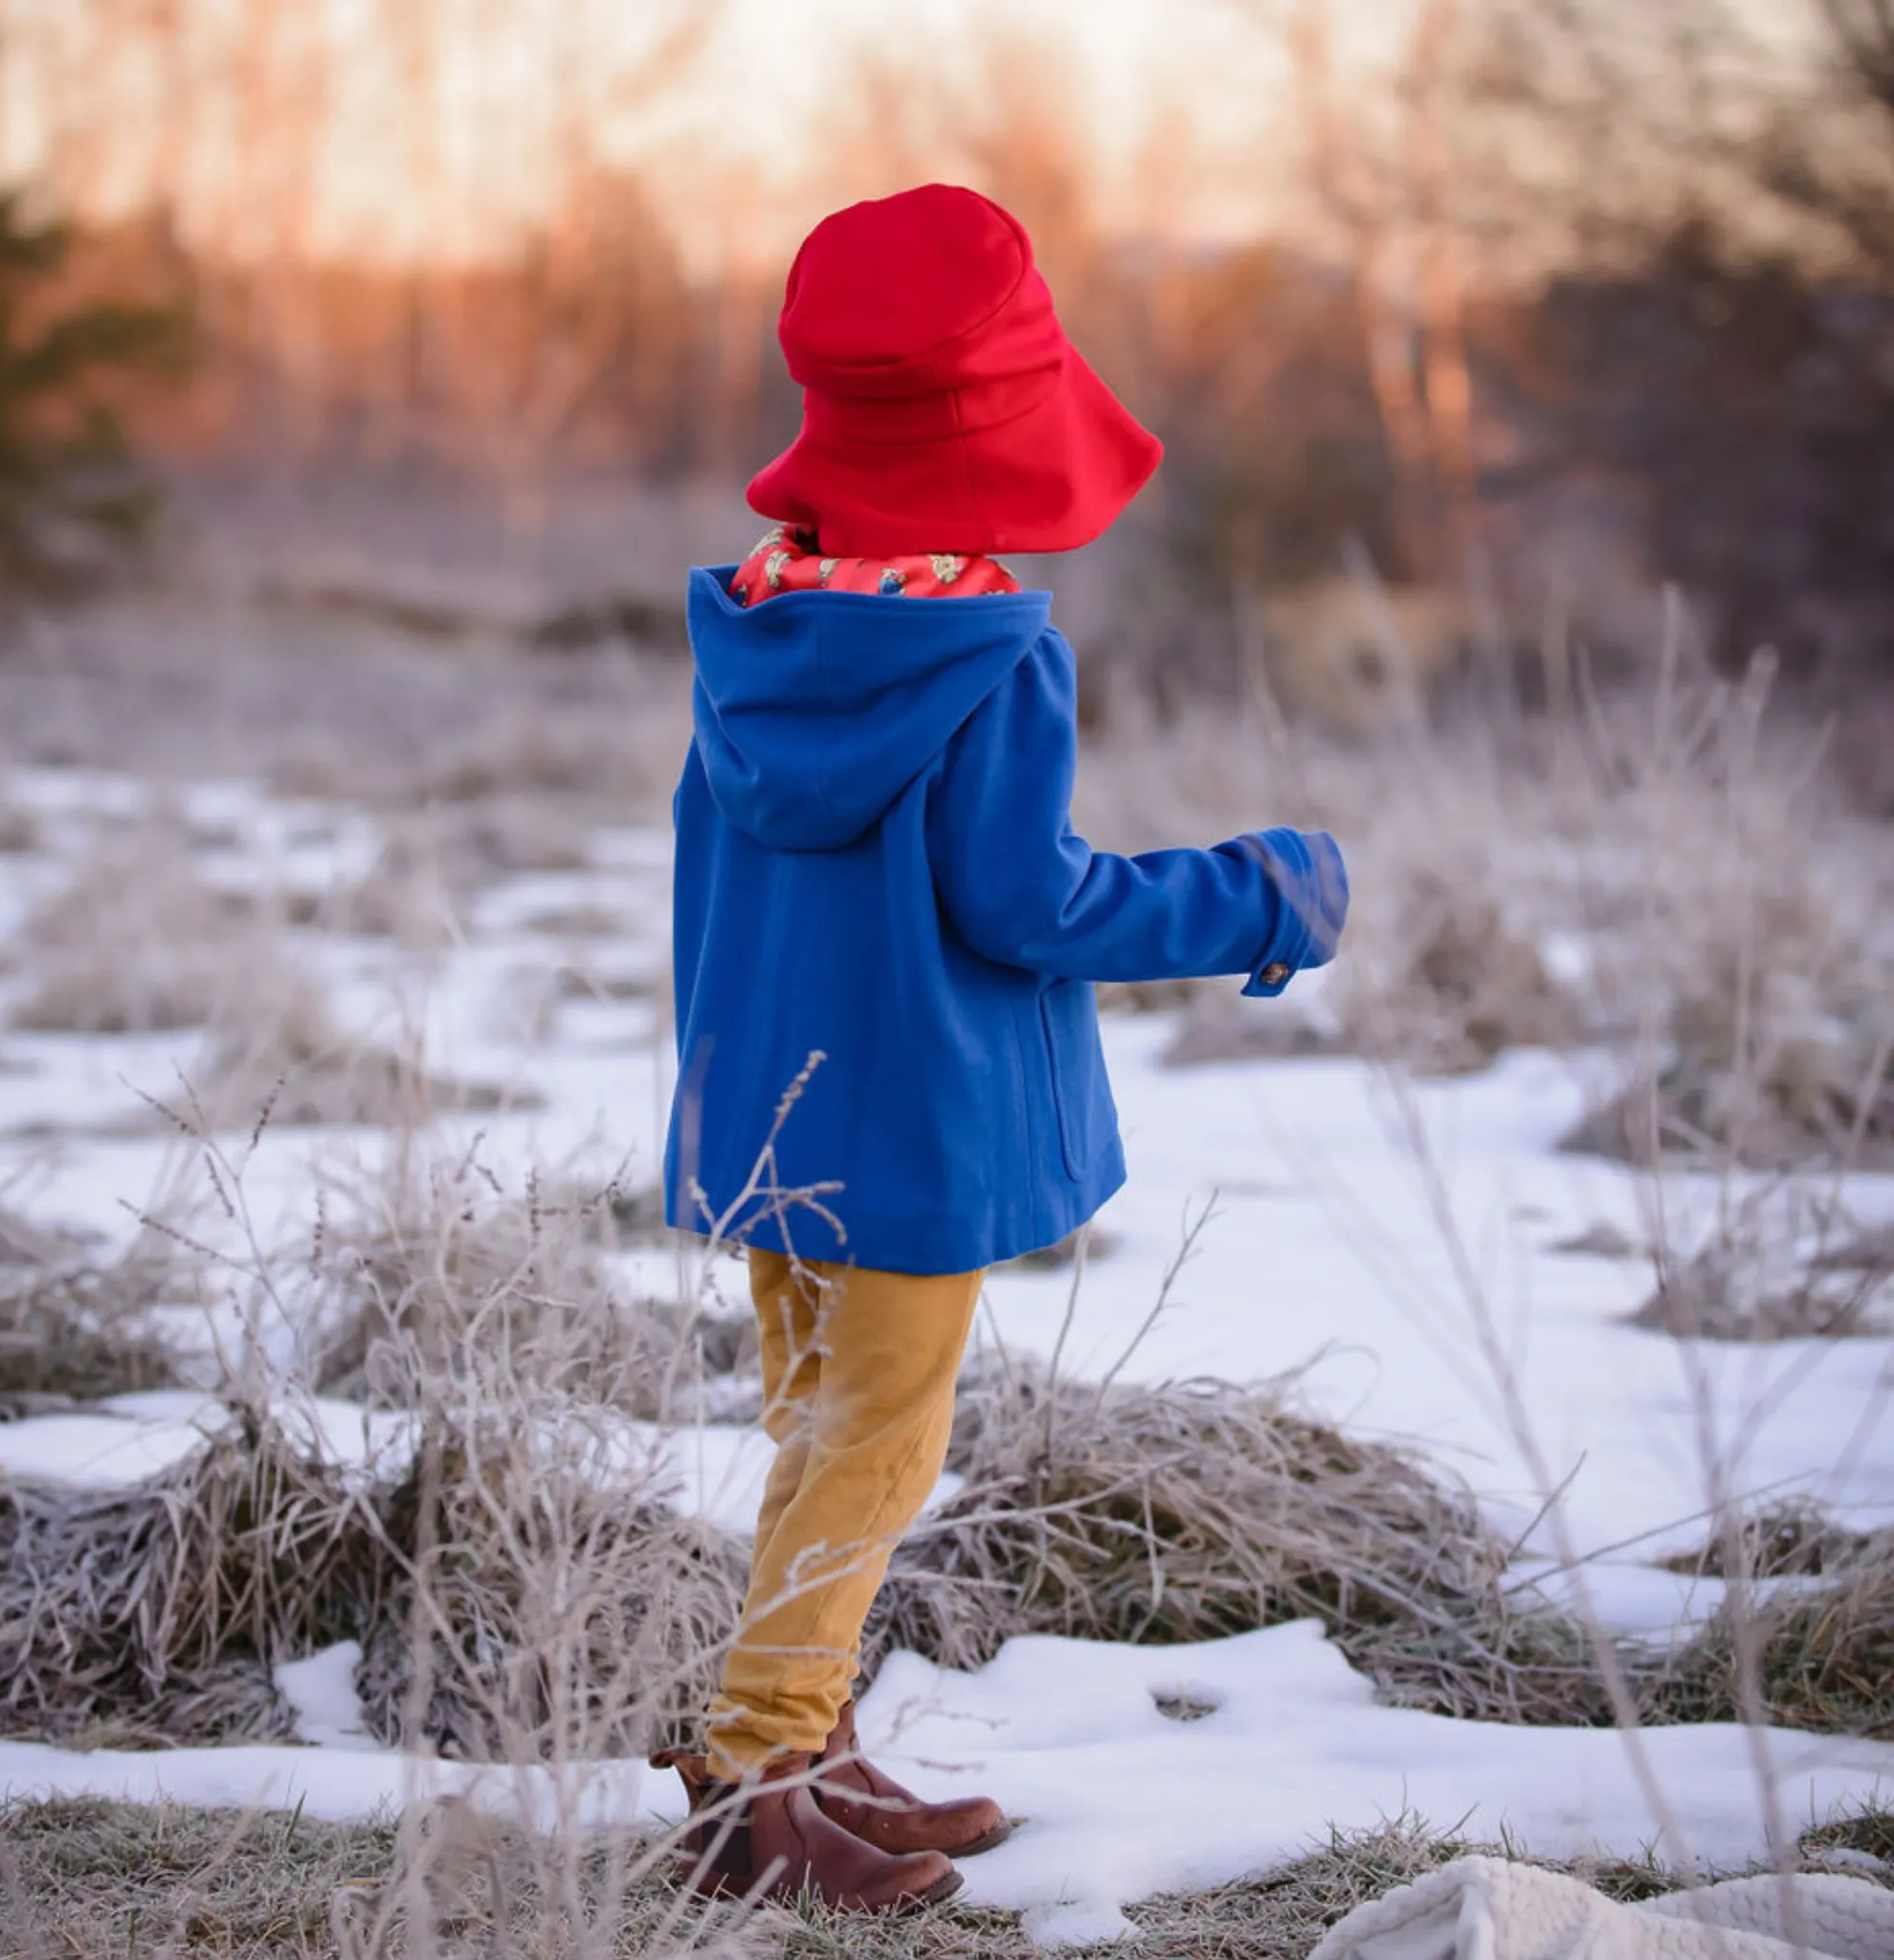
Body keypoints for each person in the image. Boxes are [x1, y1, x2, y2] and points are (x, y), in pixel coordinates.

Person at [651, 183, 1348, 1913]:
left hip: (770, 1121)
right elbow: (1028, 904)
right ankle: (751, 1787)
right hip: (916, 1140)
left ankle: (801, 1742)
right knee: (877, 1447)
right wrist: (1259, 895)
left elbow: (709, 879)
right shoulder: (983, 650)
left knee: (819, 1424)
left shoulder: (762, 618)